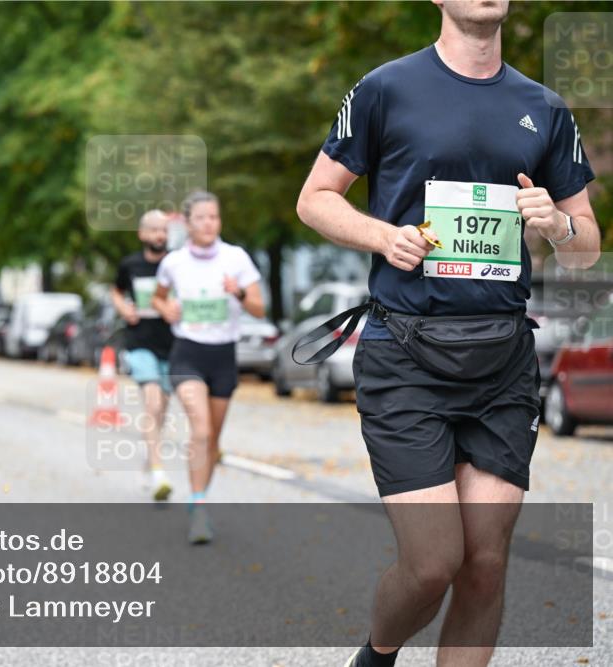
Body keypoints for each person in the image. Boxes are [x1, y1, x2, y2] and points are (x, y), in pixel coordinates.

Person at [294, 2, 600, 665]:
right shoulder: (386, 89)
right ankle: (377, 654)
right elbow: (314, 197)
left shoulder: (543, 107)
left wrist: (556, 223)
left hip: (502, 361)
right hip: (406, 354)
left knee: (486, 561)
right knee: (435, 561)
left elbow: (587, 245)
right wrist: (382, 235)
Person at [151, 190, 265, 544]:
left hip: (222, 356)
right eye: (201, 217)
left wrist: (240, 293)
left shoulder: (236, 258)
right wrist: (165, 309)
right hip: (187, 353)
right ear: (187, 223)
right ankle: (199, 509)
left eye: (214, 217)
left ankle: (198, 495)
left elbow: (260, 308)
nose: (209, 223)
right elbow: (158, 296)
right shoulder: (173, 262)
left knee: (212, 439)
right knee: (200, 430)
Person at [111, 209, 176, 501]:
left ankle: (149, 461)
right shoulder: (130, 265)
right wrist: (123, 308)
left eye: (163, 230)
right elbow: (116, 291)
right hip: (139, 341)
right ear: (142, 234)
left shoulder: (176, 263)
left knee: (161, 409)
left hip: (172, 343)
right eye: (154, 230)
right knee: (152, 402)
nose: (159, 235)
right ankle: (160, 471)